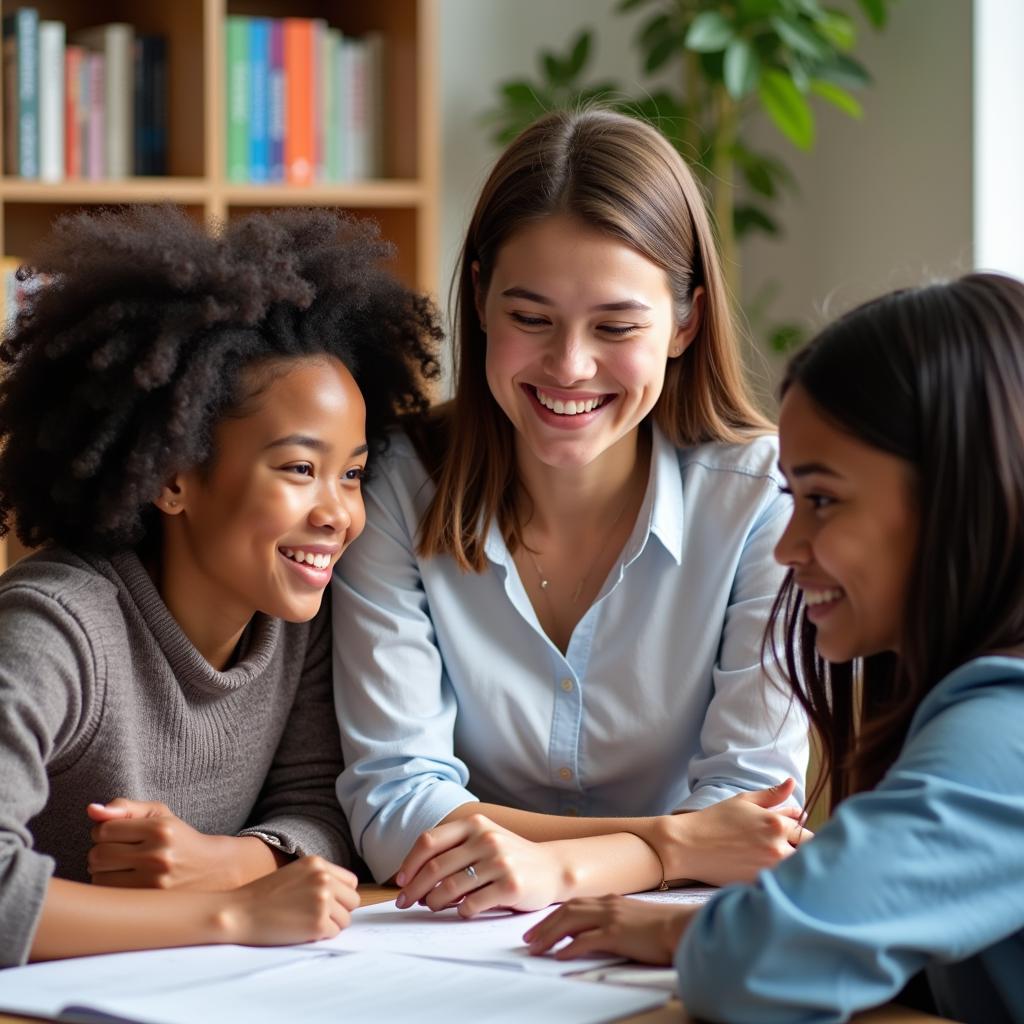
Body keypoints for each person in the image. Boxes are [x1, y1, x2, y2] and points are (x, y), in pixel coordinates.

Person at [332, 108, 811, 917]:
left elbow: (751, 813)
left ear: (686, 321)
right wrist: (673, 843)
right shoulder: (394, 486)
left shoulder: (763, 498)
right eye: (531, 319)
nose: (569, 366)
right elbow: (393, 805)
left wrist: (566, 869)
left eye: (617, 325)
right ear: (480, 298)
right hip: (445, 938)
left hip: (668, 942)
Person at [524, 272, 1024, 1024]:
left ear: (964, 497)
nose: (788, 547)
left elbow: (756, 963)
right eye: (791, 499)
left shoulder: (1002, 734)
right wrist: (691, 930)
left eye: (822, 500)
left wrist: (713, 939)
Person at [0, 206, 441, 966]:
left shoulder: (297, 616)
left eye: (353, 474)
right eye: (300, 469)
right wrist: (229, 913)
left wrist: (235, 861)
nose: (338, 513)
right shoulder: (55, 630)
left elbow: (318, 806)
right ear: (173, 477)